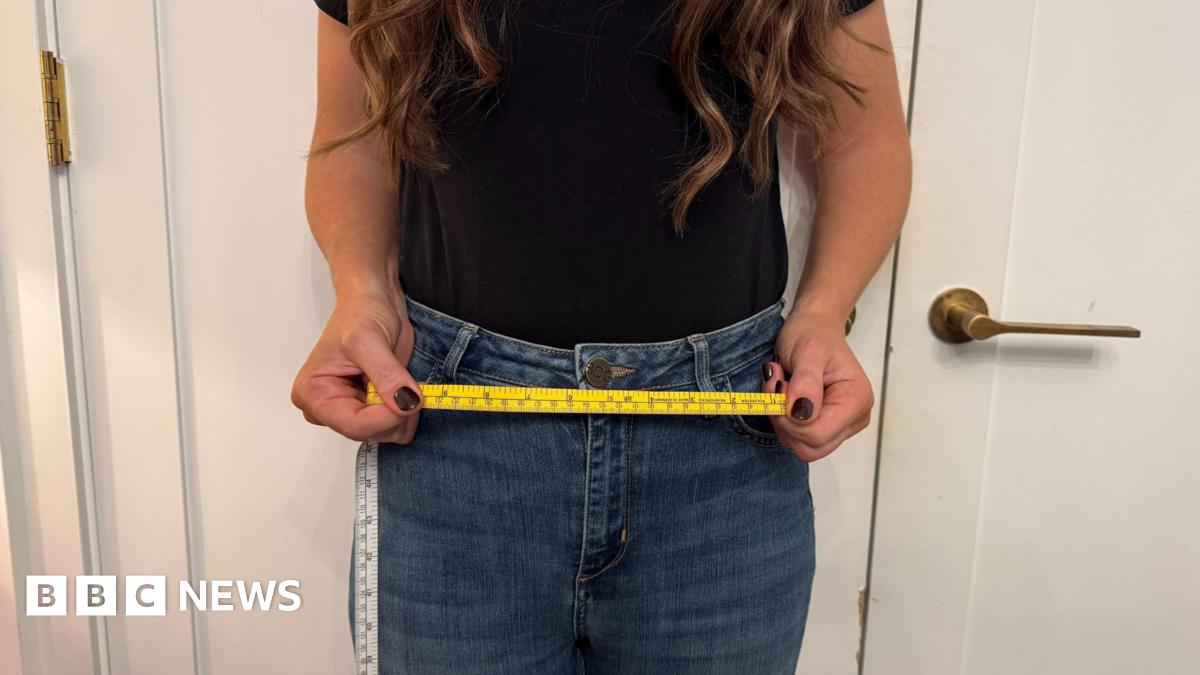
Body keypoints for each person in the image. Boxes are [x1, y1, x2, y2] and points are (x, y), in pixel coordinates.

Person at [292, 0, 910, 672]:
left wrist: (822, 315)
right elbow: (353, 135)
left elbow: (864, 141)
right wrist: (361, 291)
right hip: (451, 436)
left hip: (725, 451)